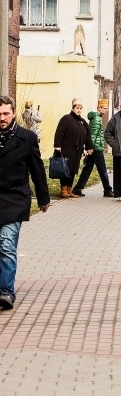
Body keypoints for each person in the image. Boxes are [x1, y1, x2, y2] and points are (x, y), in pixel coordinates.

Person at [0, 95, 51, 311]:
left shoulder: (27, 138)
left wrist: (43, 198)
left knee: (6, 245)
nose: (1, 118)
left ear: (13, 114)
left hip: (14, 198)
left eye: (5, 113)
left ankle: (6, 292)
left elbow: (37, 169)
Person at [53, 98, 94, 199]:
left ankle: (69, 190)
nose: (79, 110)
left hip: (77, 151)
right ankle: (63, 190)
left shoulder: (83, 122)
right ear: (73, 108)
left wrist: (89, 147)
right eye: (77, 108)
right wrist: (57, 146)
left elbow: (87, 136)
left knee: (73, 170)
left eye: (80, 108)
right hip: (66, 149)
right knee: (65, 170)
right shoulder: (66, 119)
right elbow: (59, 133)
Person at [72, 99, 113, 197]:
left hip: (93, 147)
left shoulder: (96, 117)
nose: (106, 110)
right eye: (105, 108)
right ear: (99, 108)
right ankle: (107, 190)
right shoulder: (97, 119)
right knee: (102, 169)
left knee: (88, 168)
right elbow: (93, 135)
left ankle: (78, 188)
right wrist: (91, 148)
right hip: (96, 148)